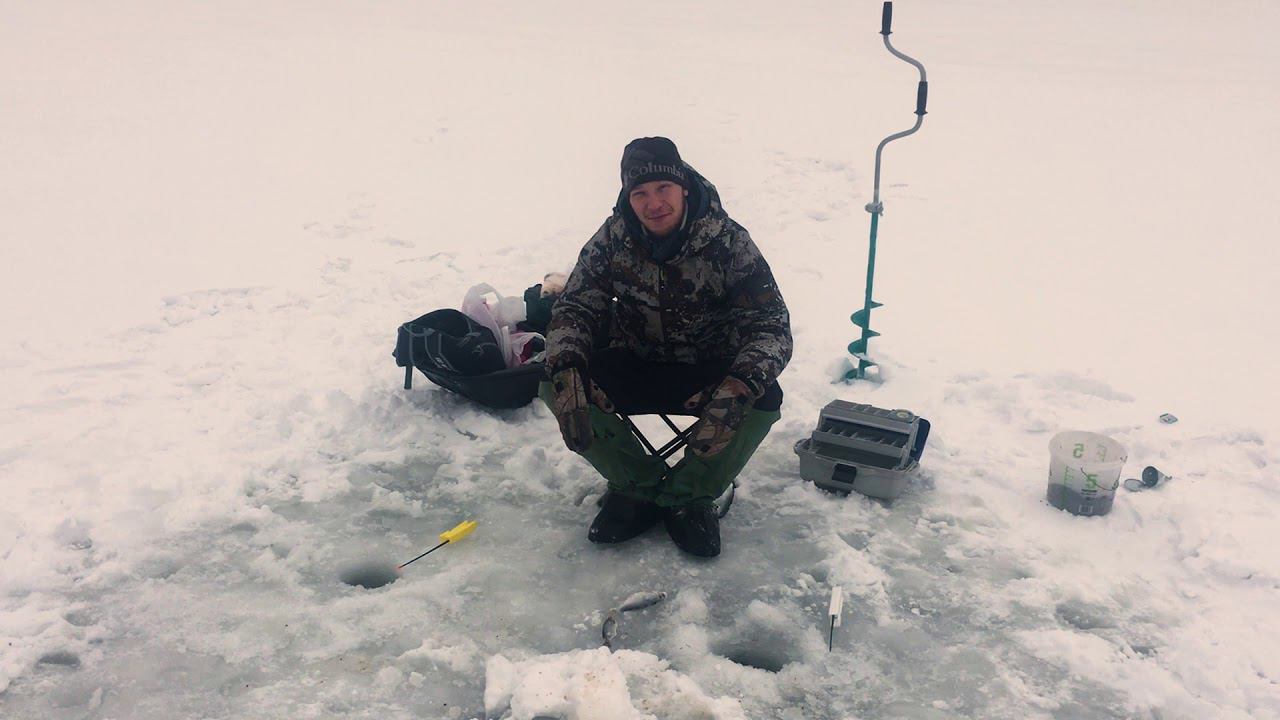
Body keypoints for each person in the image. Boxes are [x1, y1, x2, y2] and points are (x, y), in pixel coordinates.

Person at [541, 136, 792, 557]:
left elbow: (770, 325)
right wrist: (566, 362)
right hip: (636, 360)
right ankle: (636, 487)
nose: (653, 203)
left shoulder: (729, 242)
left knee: (763, 399)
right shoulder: (612, 238)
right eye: (639, 192)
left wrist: (741, 382)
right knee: (556, 382)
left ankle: (688, 495)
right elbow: (576, 307)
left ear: (684, 188)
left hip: (708, 372)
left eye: (663, 188)